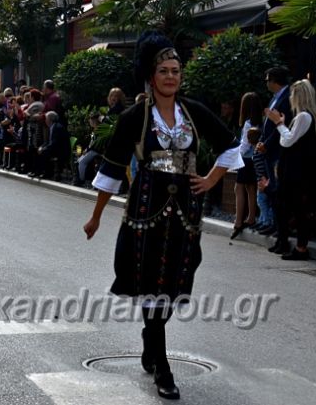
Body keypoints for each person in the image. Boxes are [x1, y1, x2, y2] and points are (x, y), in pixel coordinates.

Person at [83, 32, 242, 401]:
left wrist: (210, 179)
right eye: (164, 71)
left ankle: (150, 338)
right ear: (150, 76)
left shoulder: (194, 112)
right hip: (145, 211)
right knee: (150, 282)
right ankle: (162, 365)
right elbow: (111, 169)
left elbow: (231, 146)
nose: (171, 77)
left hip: (186, 213)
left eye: (176, 70)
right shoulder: (135, 116)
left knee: (174, 282)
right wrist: (96, 217)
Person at [264, 79, 316, 259]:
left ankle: (301, 248)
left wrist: (279, 124)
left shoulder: (304, 116)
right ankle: (284, 241)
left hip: (298, 172)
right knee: (283, 205)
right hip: (293, 169)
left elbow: (287, 140)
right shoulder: (301, 116)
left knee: (298, 208)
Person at [255, 66, 293, 236]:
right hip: (268, 148)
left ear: (274, 80)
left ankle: (280, 226)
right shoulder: (275, 98)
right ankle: (272, 221)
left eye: (267, 79)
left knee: (277, 189)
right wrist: (261, 141)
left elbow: (280, 125)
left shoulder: (286, 98)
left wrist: (267, 144)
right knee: (270, 188)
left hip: (277, 150)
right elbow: (269, 124)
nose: (266, 83)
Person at [231, 92, 262, 239]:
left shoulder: (248, 123)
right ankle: (251, 217)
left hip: (246, 160)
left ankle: (238, 221)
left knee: (238, 188)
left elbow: (245, 144)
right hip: (256, 158)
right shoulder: (261, 121)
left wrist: (235, 158)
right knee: (251, 188)